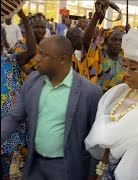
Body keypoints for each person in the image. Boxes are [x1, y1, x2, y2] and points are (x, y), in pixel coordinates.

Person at [1, 35, 103, 180]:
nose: (36, 58)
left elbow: (95, 138)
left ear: (62, 59)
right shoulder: (32, 82)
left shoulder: (89, 92)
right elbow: (13, 117)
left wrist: (93, 174)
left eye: (43, 55)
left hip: (68, 169)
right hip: (35, 166)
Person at [85, 28, 138, 180]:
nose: (126, 74)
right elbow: (106, 146)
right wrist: (100, 173)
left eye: (133, 68)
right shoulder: (118, 92)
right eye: (125, 66)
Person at [1, 9, 37, 180]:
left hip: (7, 132)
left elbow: (31, 51)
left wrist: (25, 19)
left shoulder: (10, 60)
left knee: (5, 172)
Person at [82, 1, 126, 93]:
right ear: (106, 41)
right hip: (99, 100)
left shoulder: (125, 60)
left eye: (120, 40)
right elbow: (86, 41)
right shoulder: (100, 54)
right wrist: (96, 15)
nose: (117, 43)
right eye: (114, 39)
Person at [14, 13, 47, 80]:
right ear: (30, 28)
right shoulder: (21, 44)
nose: (40, 30)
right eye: (36, 27)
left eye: (43, 27)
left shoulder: (48, 43)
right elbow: (18, 67)